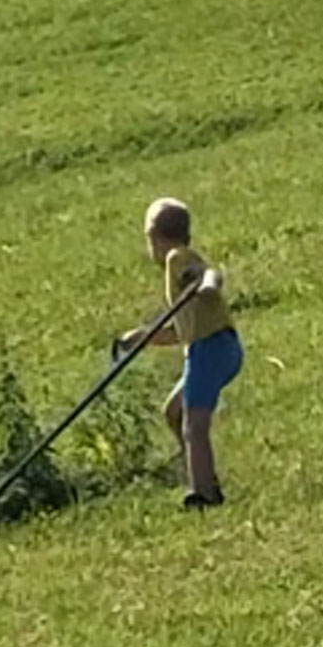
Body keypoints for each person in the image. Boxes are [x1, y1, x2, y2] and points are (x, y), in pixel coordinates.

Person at [118, 197, 244, 510]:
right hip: (212, 346)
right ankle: (201, 470)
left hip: (209, 349)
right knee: (174, 412)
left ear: (153, 237)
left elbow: (207, 275)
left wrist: (207, 285)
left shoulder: (177, 258)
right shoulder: (179, 268)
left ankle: (204, 494)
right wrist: (146, 338)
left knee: (194, 425)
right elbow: (182, 332)